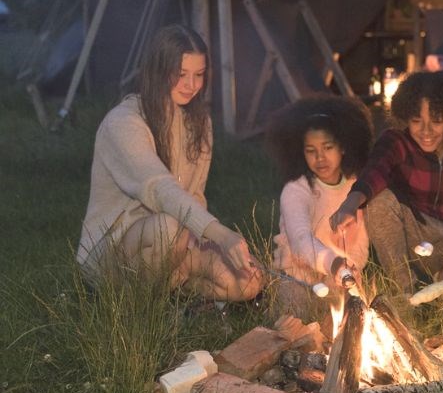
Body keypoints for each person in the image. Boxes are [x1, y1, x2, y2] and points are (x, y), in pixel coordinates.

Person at [77, 24, 261, 301]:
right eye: (180, 74)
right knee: (168, 228)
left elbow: (194, 195)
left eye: (199, 75)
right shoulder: (124, 123)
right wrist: (221, 235)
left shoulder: (199, 122)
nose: (191, 85)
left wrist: (205, 244)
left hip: (177, 243)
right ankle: (138, 311)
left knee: (248, 282)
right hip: (114, 250)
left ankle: (172, 288)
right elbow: (159, 188)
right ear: (158, 71)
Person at [329, 70, 443, 295]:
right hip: (412, 235)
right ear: (406, 117)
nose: (426, 131)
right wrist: (350, 204)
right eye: (416, 121)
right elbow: (374, 173)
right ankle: (405, 292)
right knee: (379, 200)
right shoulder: (396, 142)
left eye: (437, 121)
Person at [264, 94, 373, 324]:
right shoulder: (296, 190)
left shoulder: (355, 188)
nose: (320, 157)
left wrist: (348, 268)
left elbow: (361, 242)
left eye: (327, 147)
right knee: (292, 324)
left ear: (343, 147)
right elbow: (300, 240)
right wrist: (332, 263)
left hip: (340, 277)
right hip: (297, 280)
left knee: (354, 321)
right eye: (310, 150)